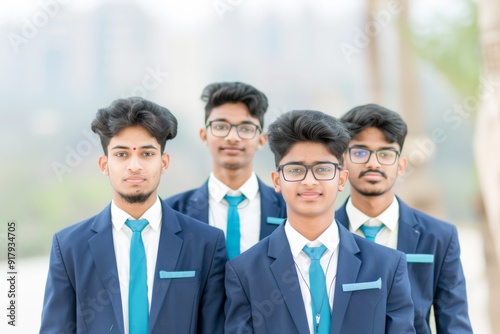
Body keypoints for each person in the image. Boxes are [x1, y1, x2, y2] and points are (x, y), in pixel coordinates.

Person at [40, 97, 226, 334]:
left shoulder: (206, 244)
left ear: (164, 162)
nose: (135, 165)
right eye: (122, 154)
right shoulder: (69, 247)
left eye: (147, 154)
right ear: (104, 164)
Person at [225, 109, 416, 333]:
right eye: (295, 170)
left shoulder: (387, 266)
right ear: (277, 180)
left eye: (322, 169)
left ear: (341, 179)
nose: (309, 181)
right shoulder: (245, 271)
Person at [336, 103, 472, 333]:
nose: (373, 163)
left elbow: (454, 323)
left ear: (401, 165)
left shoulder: (439, 237)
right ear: (342, 162)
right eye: (360, 152)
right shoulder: (321, 232)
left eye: (385, 153)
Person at [166, 81, 286, 259]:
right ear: (204, 135)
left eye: (245, 128)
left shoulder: (288, 210)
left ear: (262, 139)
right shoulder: (173, 212)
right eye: (221, 127)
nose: (232, 137)